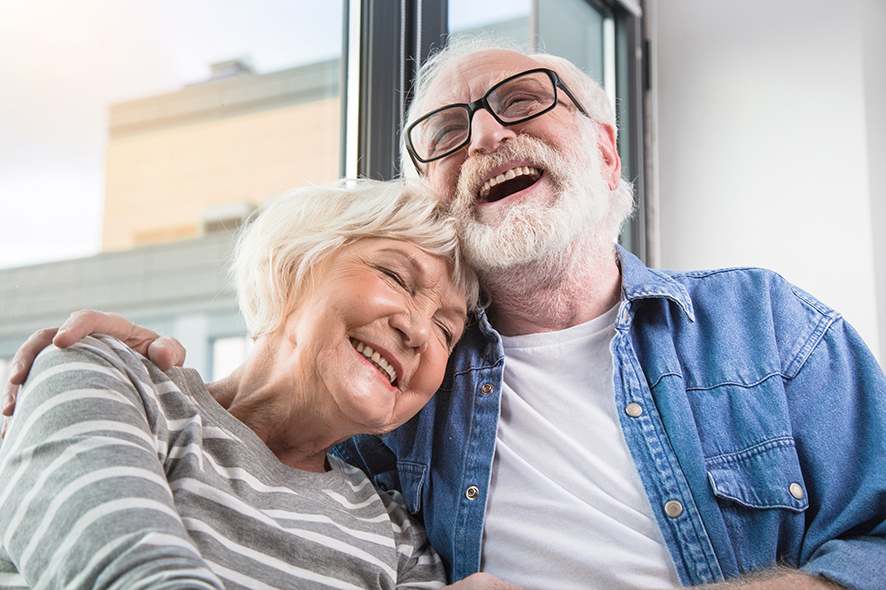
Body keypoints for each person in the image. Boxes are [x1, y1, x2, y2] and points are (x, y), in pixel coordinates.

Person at [4, 38, 886, 590]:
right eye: (448, 132)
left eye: (523, 101)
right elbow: (251, 428)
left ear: (608, 150)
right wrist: (109, 371)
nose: (489, 137)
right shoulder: (397, 409)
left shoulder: (764, 324)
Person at [0, 179, 525, 590]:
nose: (416, 330)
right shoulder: (107, 376)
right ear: (292, 267)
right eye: (394, 277)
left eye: (445, 328)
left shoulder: (400, 540)